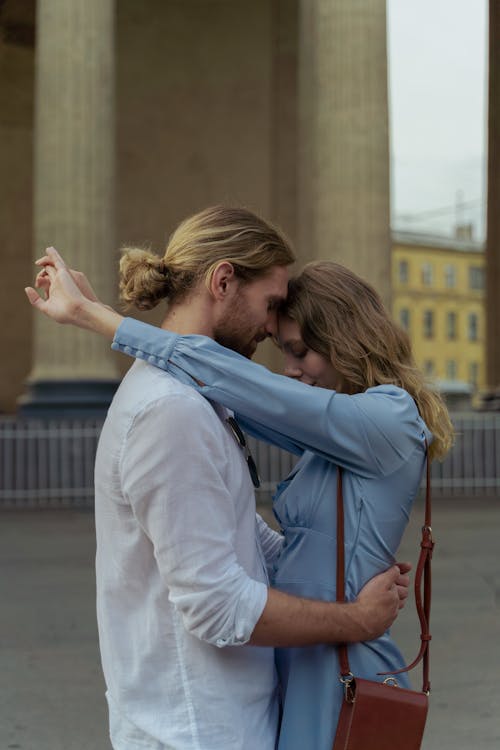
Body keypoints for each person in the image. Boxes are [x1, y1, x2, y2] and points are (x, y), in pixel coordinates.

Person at [25, 207, 411, 750]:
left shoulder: (195, 401)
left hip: (217, 717)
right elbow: (216, 604)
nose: (271, 330)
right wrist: (356, 617)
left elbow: (237, 534)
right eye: (271, 305)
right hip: (198, 727)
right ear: (223, 280)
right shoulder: (173, 410)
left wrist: (338, 567)